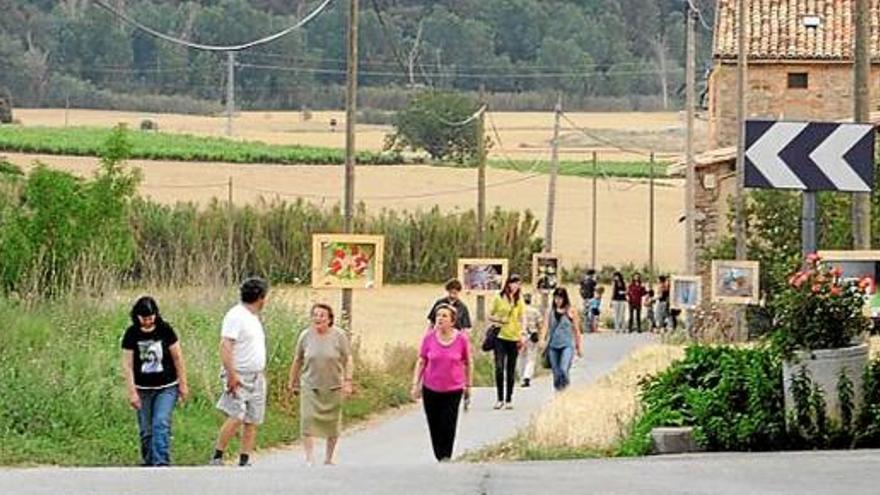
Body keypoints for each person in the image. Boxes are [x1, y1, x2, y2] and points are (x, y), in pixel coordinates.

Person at [121, 296, 189, 467]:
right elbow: (127, 365)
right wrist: (132, 392)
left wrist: (183, 384)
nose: (148, 321)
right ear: (137, 316)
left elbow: (178, 358)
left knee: (160, 423)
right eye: (144, 318)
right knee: (146, 430)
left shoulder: (165, 330)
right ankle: (148, 462)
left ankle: (161, 463)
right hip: (142, 388)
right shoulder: (131, 334)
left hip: (166, 387)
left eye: (151, 317)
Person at [211, 277, 269, 467]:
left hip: (256, 374)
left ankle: (245, 458)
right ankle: (218, 455)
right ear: (260, 298)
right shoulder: (236, 315)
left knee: (252, 417)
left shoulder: (253, 317)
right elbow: (226, 345)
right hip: (239, 373)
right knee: (237, 414)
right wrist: (231, 374)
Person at [288, 304, 354, 466]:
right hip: (310, 384)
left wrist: (348, 381)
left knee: (333, 423)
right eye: (315, 315)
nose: (318, 318)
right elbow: (298, 359)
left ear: (329, 319)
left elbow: (348, 359)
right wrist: (292, 382)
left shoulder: (339, 335)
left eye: (322, 315)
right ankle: (309, 458)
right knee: (307, 419)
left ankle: (328, 457)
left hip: (333, 386)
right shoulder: (305, 336)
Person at [411, 304, 472, 461]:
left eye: (444, 316)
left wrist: (468, 385)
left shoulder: (461, 339)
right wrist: (415, 384)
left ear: (452, 321)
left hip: (453, 389)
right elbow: (422, 361)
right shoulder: (429, 338)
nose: (440, 319)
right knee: (434, 424)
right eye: (438, 315)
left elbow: (468, 362)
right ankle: (439, 454)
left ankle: (446, 456)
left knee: (448, 423)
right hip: (431, 388)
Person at [488, 274, 526, 409]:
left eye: (518, 284)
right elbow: (490, 315)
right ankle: (499, 398)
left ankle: (509, 398)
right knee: (499, 367)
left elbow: (522, 318)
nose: (515, 286)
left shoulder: (519, 300)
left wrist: (522, 335)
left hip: (514, 337)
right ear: (508, 284)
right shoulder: (499, 297)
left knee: (511, 369)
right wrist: (499, 320)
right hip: (500, 336)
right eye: (513, 283)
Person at [544, 287, 583, 391]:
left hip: (567, 345)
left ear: (565, 298)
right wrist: (542, 341)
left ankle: (565, 390)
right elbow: (545, 327)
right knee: (556, 372)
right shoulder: (550, 311)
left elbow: (576, 330)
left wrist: (579, 347)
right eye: (556, 298)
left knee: (563, 369)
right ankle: (558, 392)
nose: (558, 301)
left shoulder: (571, 311)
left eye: (560, 298)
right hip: (553, 346)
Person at [518, 293, 542, 387]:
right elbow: (540, 324)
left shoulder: (519, 311)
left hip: (521, 336)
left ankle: (521, 377)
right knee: (531, 358)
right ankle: (527, 376)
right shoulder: (535, 311)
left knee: (520, 358)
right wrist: (540, 335)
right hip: (532, 336)